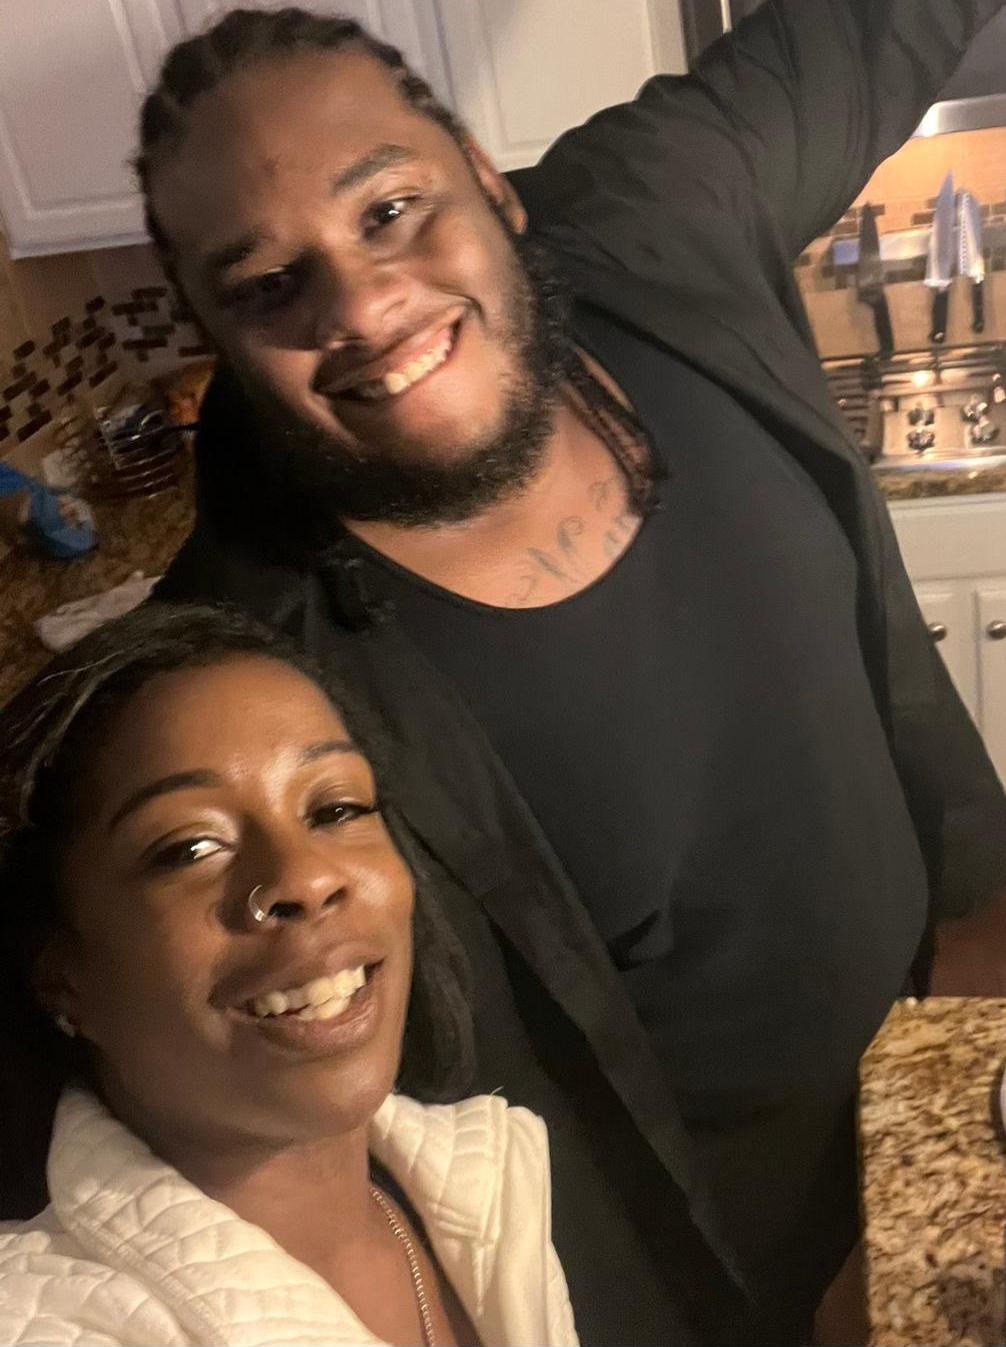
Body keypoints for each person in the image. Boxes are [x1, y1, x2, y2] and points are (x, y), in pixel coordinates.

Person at [137, 3, 1006, 1341]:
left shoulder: (658, 216)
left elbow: (866, 22)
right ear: (220, 340)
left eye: (390, 211)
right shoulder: (249, 686)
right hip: (729, 1279)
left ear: (491, 185)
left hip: (953, 1054)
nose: (361, 307)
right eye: (266, 286)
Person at [0, 603, 577, 1347]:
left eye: (335, 808)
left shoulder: (493, 1189)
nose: (305, 877)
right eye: (189, 847)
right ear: (62, 977)